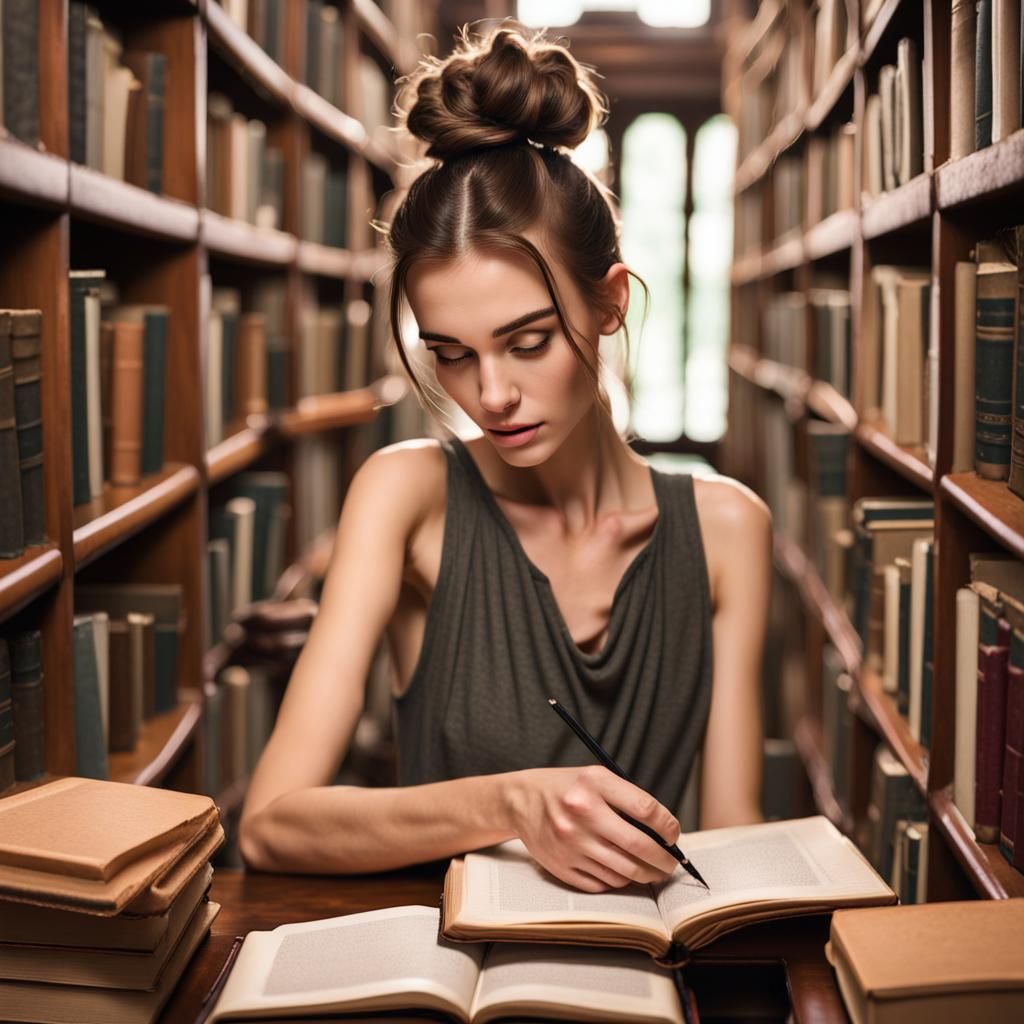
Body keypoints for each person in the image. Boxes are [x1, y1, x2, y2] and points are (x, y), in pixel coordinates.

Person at [238, 23, 771, 893]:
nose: (489, 396)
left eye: (527, 342)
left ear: (609, 302)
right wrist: (515, 803)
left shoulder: (728, 530)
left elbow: (736, 831)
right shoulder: (406, 494)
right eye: (451, 351)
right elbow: (271, 821)